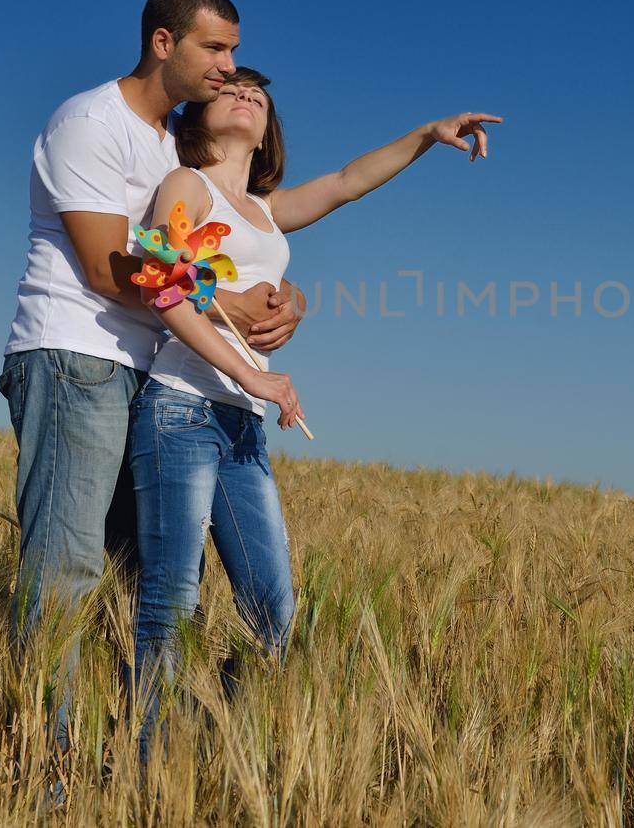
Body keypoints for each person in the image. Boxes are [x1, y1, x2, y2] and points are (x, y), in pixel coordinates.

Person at [127, 65, 500, 761]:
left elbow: (347, 182)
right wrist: (253, 375)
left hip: (241, 425)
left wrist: (426, 135)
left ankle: (207, 753)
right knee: (169, 607)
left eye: (258, 97)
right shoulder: (186, 187)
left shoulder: (266, 211)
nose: (244, 97)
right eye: (231, 90)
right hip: (180, 410)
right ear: (199, 116)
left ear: (268, 128)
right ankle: (145, 773)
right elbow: (164, 286)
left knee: (273, 611)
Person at [0, 0, 306, 755]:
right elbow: (108, 269)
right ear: (163, 43)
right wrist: (229, 310)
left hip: (149, 373)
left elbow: (219, 246)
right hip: (78, 358)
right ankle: (49, 769)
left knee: (143, 579)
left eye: (235, 48)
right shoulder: (88, 122)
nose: (230, 64)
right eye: (216, 47)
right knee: (67, 571)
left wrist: (278, 300)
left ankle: (146, 751)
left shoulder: (177, 148)